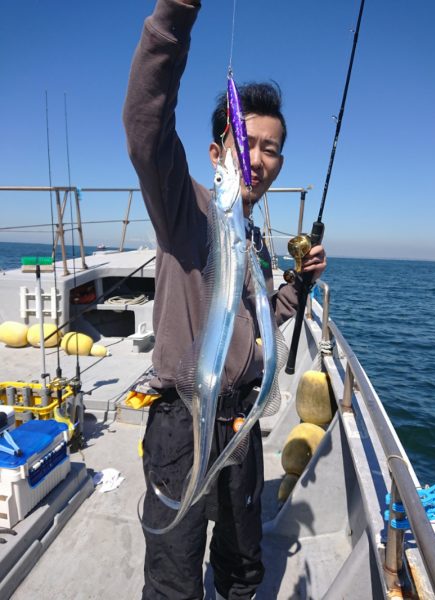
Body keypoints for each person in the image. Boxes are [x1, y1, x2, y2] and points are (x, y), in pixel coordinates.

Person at [123, 1, 326, 598]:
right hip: (182, 423)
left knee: (242, 569)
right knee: (175, 581)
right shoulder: (186, 210)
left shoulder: (253, 234)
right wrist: (173, 17)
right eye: (246, 143)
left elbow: (258, 320)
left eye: (271, 148)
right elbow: (146, 130)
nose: (258, 159)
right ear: (217, 154)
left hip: (240, 425)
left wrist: (298, 286)